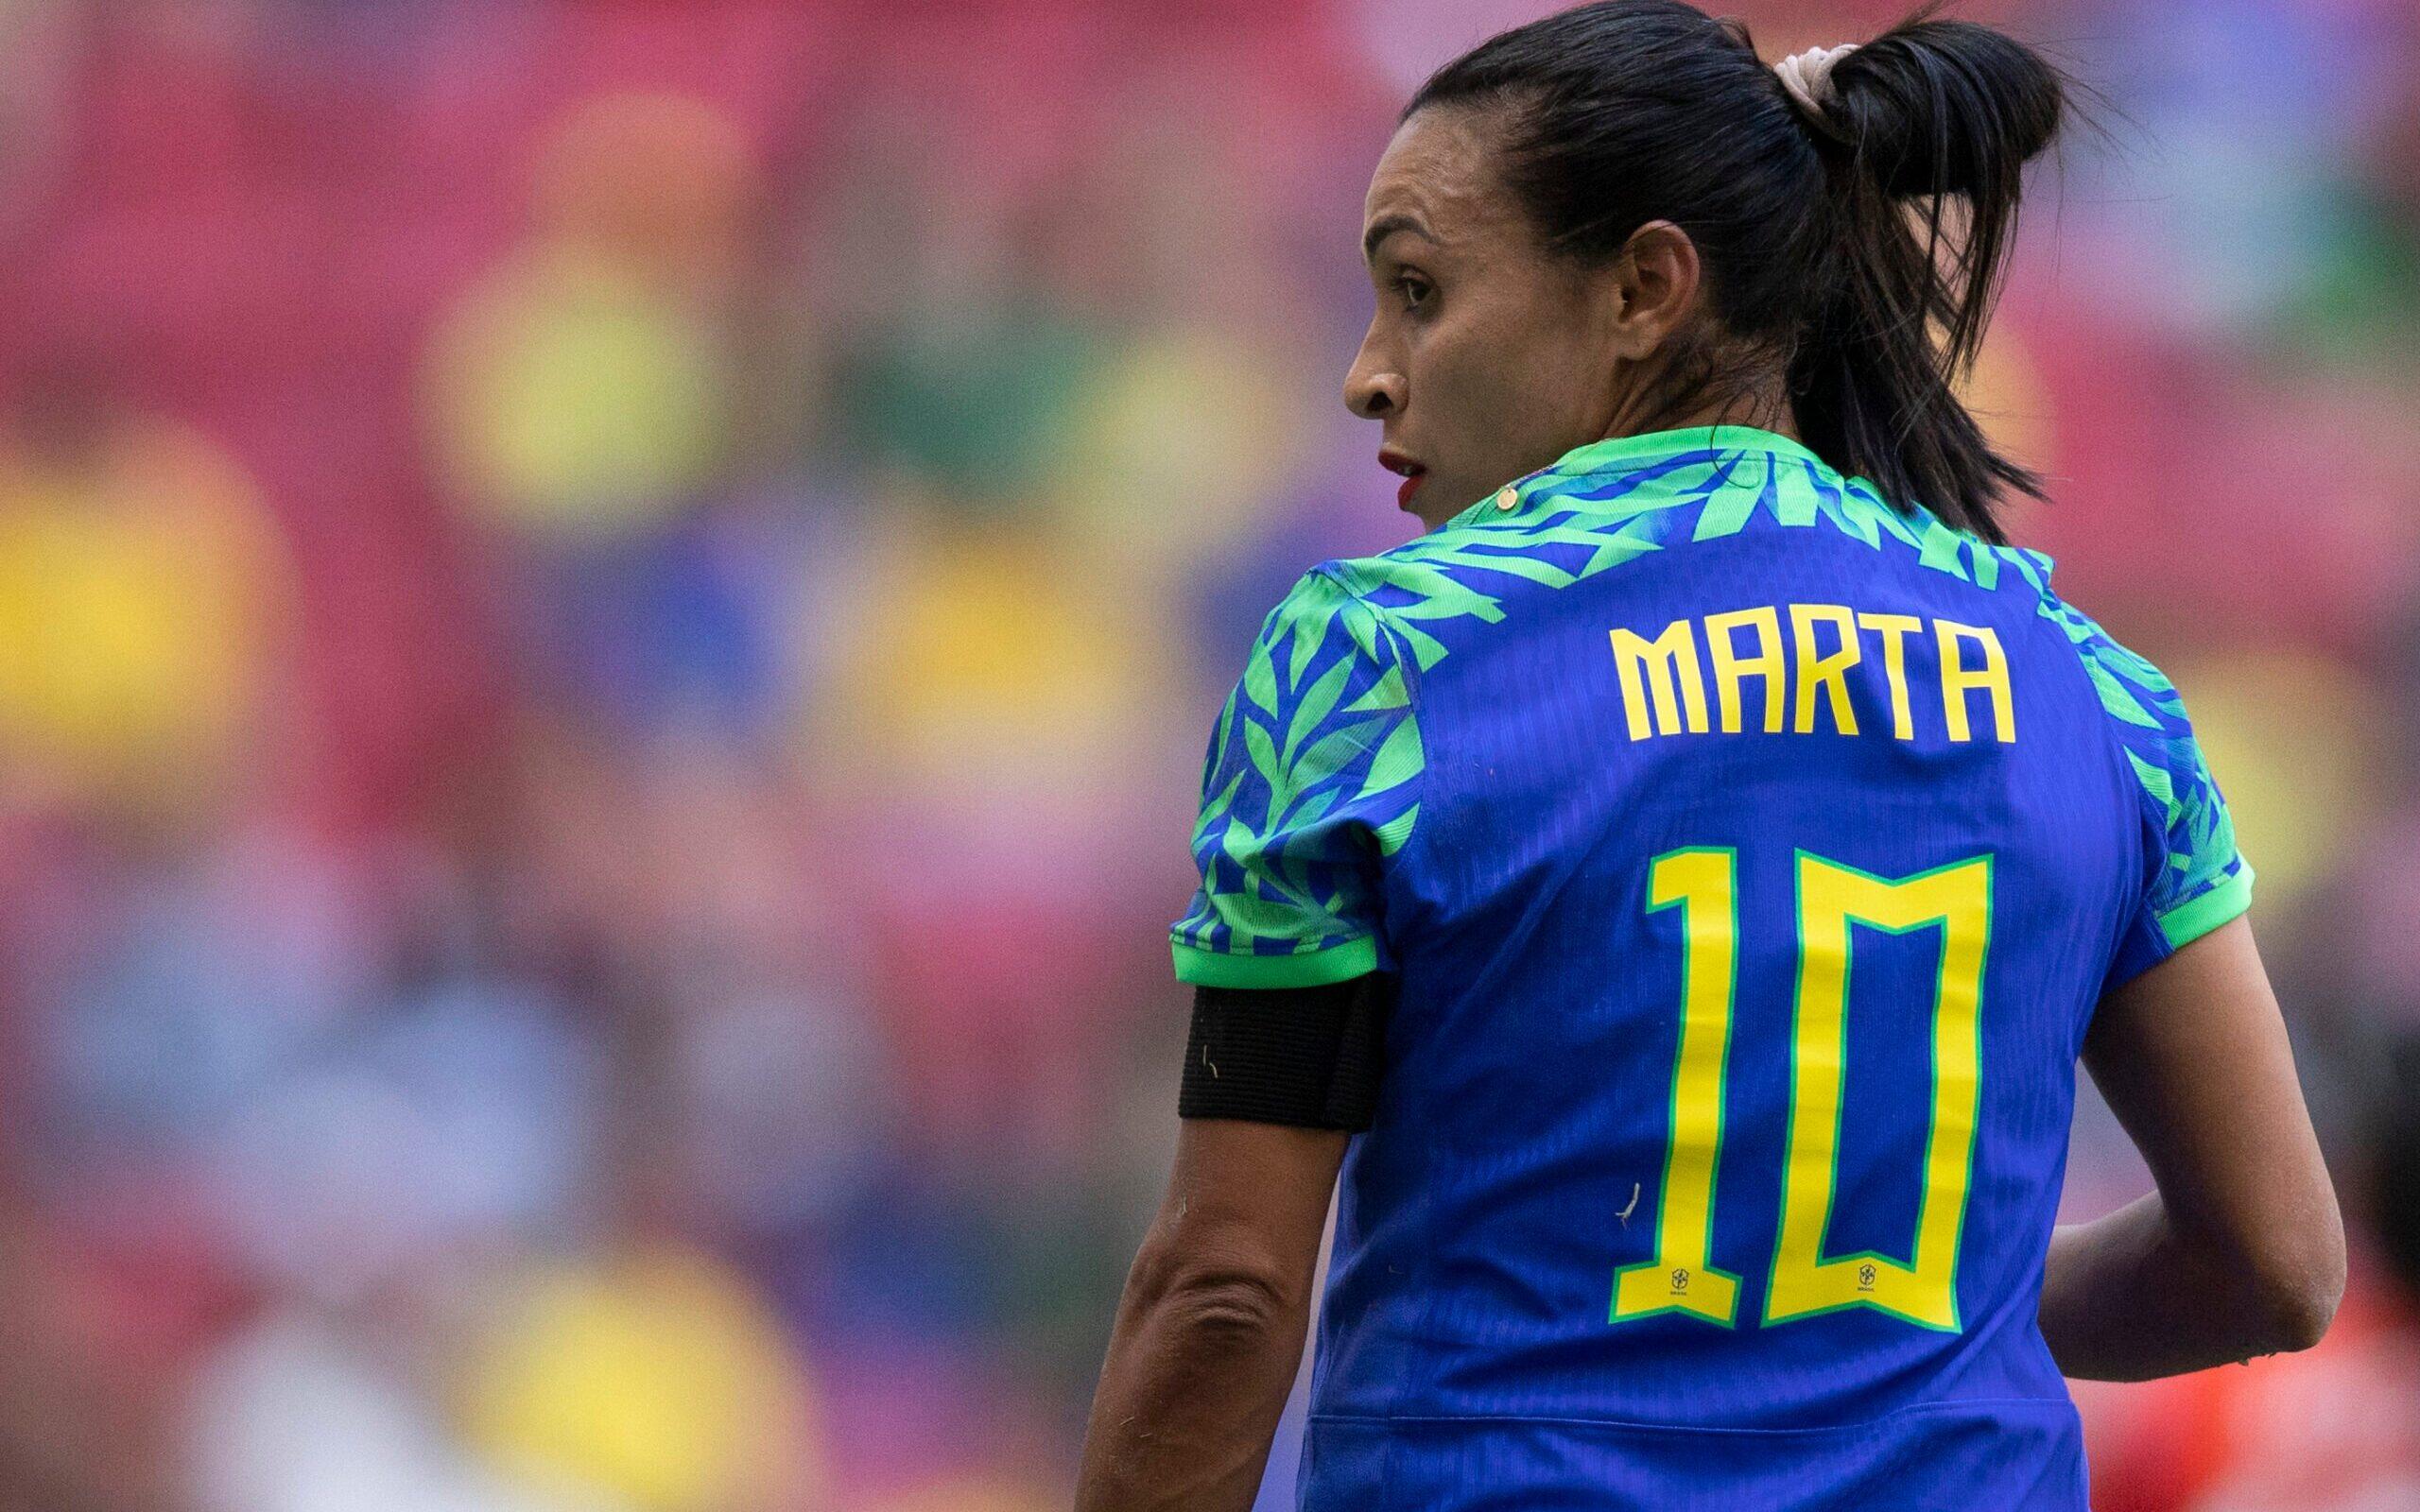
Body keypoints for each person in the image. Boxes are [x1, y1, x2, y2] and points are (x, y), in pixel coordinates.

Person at [1073, 3, 2344, 1508]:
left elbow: (1226, 1292)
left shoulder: (1378, 661)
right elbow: (2274, 1265)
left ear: (1645, 289)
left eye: (1418, 291)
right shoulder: (2094, 693)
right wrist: (1899, 1332)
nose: (1367, 372)